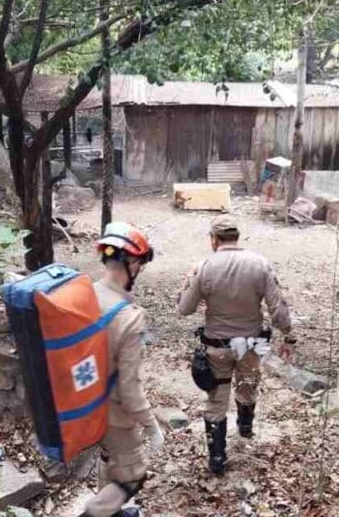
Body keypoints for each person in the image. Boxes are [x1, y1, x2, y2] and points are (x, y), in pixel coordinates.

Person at [177, 215, 293, 476]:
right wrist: (288, 337)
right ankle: (245, 427)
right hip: (250, 345)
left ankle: (217, 458)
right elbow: (279, 311)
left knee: (217, 400)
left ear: (213, 239)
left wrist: (187, 285)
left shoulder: (204, 267)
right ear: (238, 237)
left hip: (217, 346)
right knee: (247, 385)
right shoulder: (260, 264)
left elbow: (184, 309)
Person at [83, 222, 164, 517]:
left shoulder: (84, 295)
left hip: (82, 403)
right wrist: (151, 425)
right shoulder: (129, 318)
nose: (139, 270)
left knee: (110, 459)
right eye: (139, 263)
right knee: (132, 475)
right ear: (131, 262)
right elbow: (130, 389)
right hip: (114, 414)